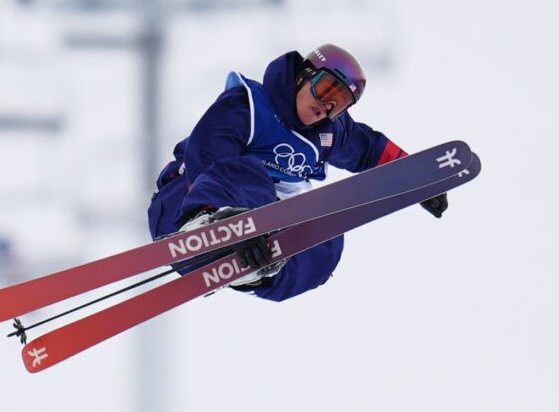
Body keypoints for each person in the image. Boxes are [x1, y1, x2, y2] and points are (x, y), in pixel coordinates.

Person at [147, 44, 448, 301]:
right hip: (182, 205)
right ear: (303, 76)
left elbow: (369, 149)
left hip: (256, 233)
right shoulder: (249, 107)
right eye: (324, 90)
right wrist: (219, 214)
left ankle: (256, 271)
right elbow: (207, 154)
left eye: (339, 104)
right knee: (250, 173)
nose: (326, 106)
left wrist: (418, 177)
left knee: (327, 237)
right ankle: (209, 226)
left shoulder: (329, 135)